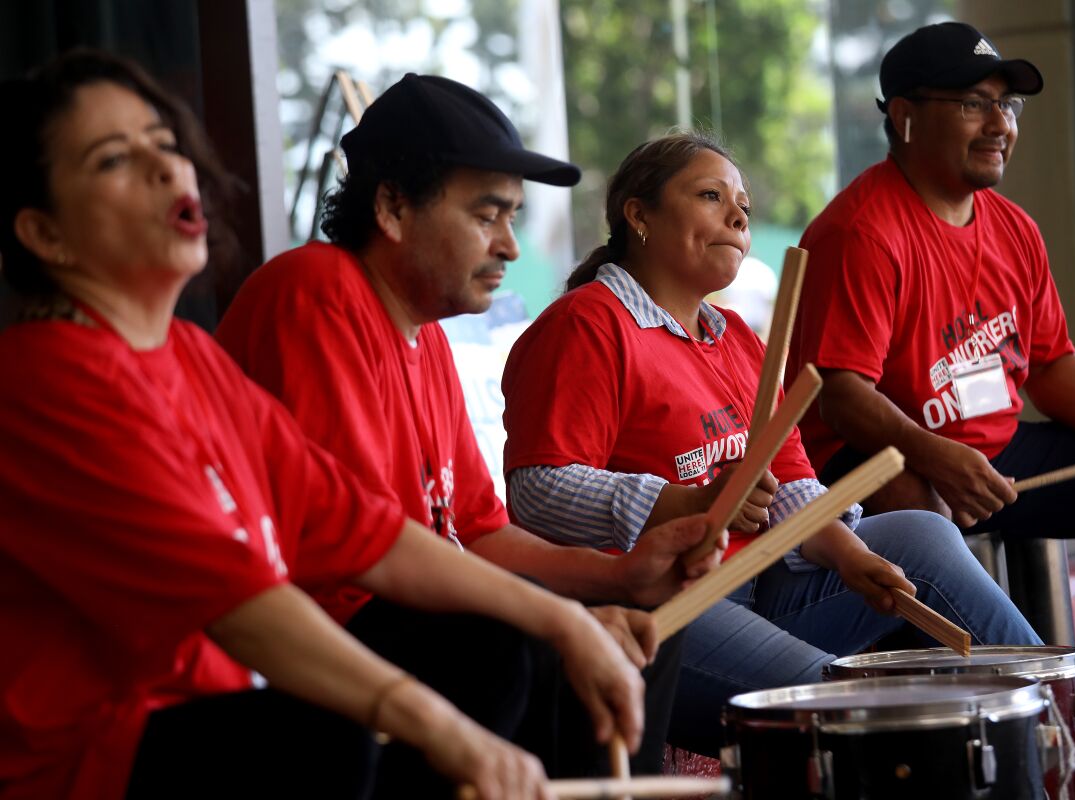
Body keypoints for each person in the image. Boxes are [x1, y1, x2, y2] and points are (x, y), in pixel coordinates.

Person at [0, 50, 650, 800]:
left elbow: (357, 525)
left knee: (565, 643)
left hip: (216, 714)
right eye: (114, 158)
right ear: (45, 235)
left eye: (164, 142)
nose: (165, 169)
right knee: (332, 733)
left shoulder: (185, 355)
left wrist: (571, 619)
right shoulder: (46, 378)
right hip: (90, 763)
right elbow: (238, 597)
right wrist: (440, 725)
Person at [497, 131, 1075, 799]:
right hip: (664, 606)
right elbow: (538, 492)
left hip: (766, 586)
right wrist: (682, 504)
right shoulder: (587, 325)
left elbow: (797, 487)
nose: (739, 218)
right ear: (639, 215)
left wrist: (847, 555)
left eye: (742, 203)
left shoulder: (738, 339)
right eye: (711, 197)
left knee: (919, 533)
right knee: (856, 706)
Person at [215, 72, 722, 777]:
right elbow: (362, 555)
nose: (510, 246)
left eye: (513, 217)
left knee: (640, 633)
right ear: (392, 207)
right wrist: (559, 618)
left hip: (411, 626)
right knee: (502, 636)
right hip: (317, 655)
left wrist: (619, 576)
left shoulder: (427, 339)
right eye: (488, 215)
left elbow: (479, 533)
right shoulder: (315, 290)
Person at [787, 21, 1075, 604]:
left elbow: (1051, 365)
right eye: (972, 104)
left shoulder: (1015, 227)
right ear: (904, 116)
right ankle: (987, 683)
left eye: (1005, 104)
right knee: (922, 519)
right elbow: (841, 396)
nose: (1000, 123)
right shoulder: (860, 233)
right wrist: (938, 458)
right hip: (876, 460)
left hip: (993, 454)